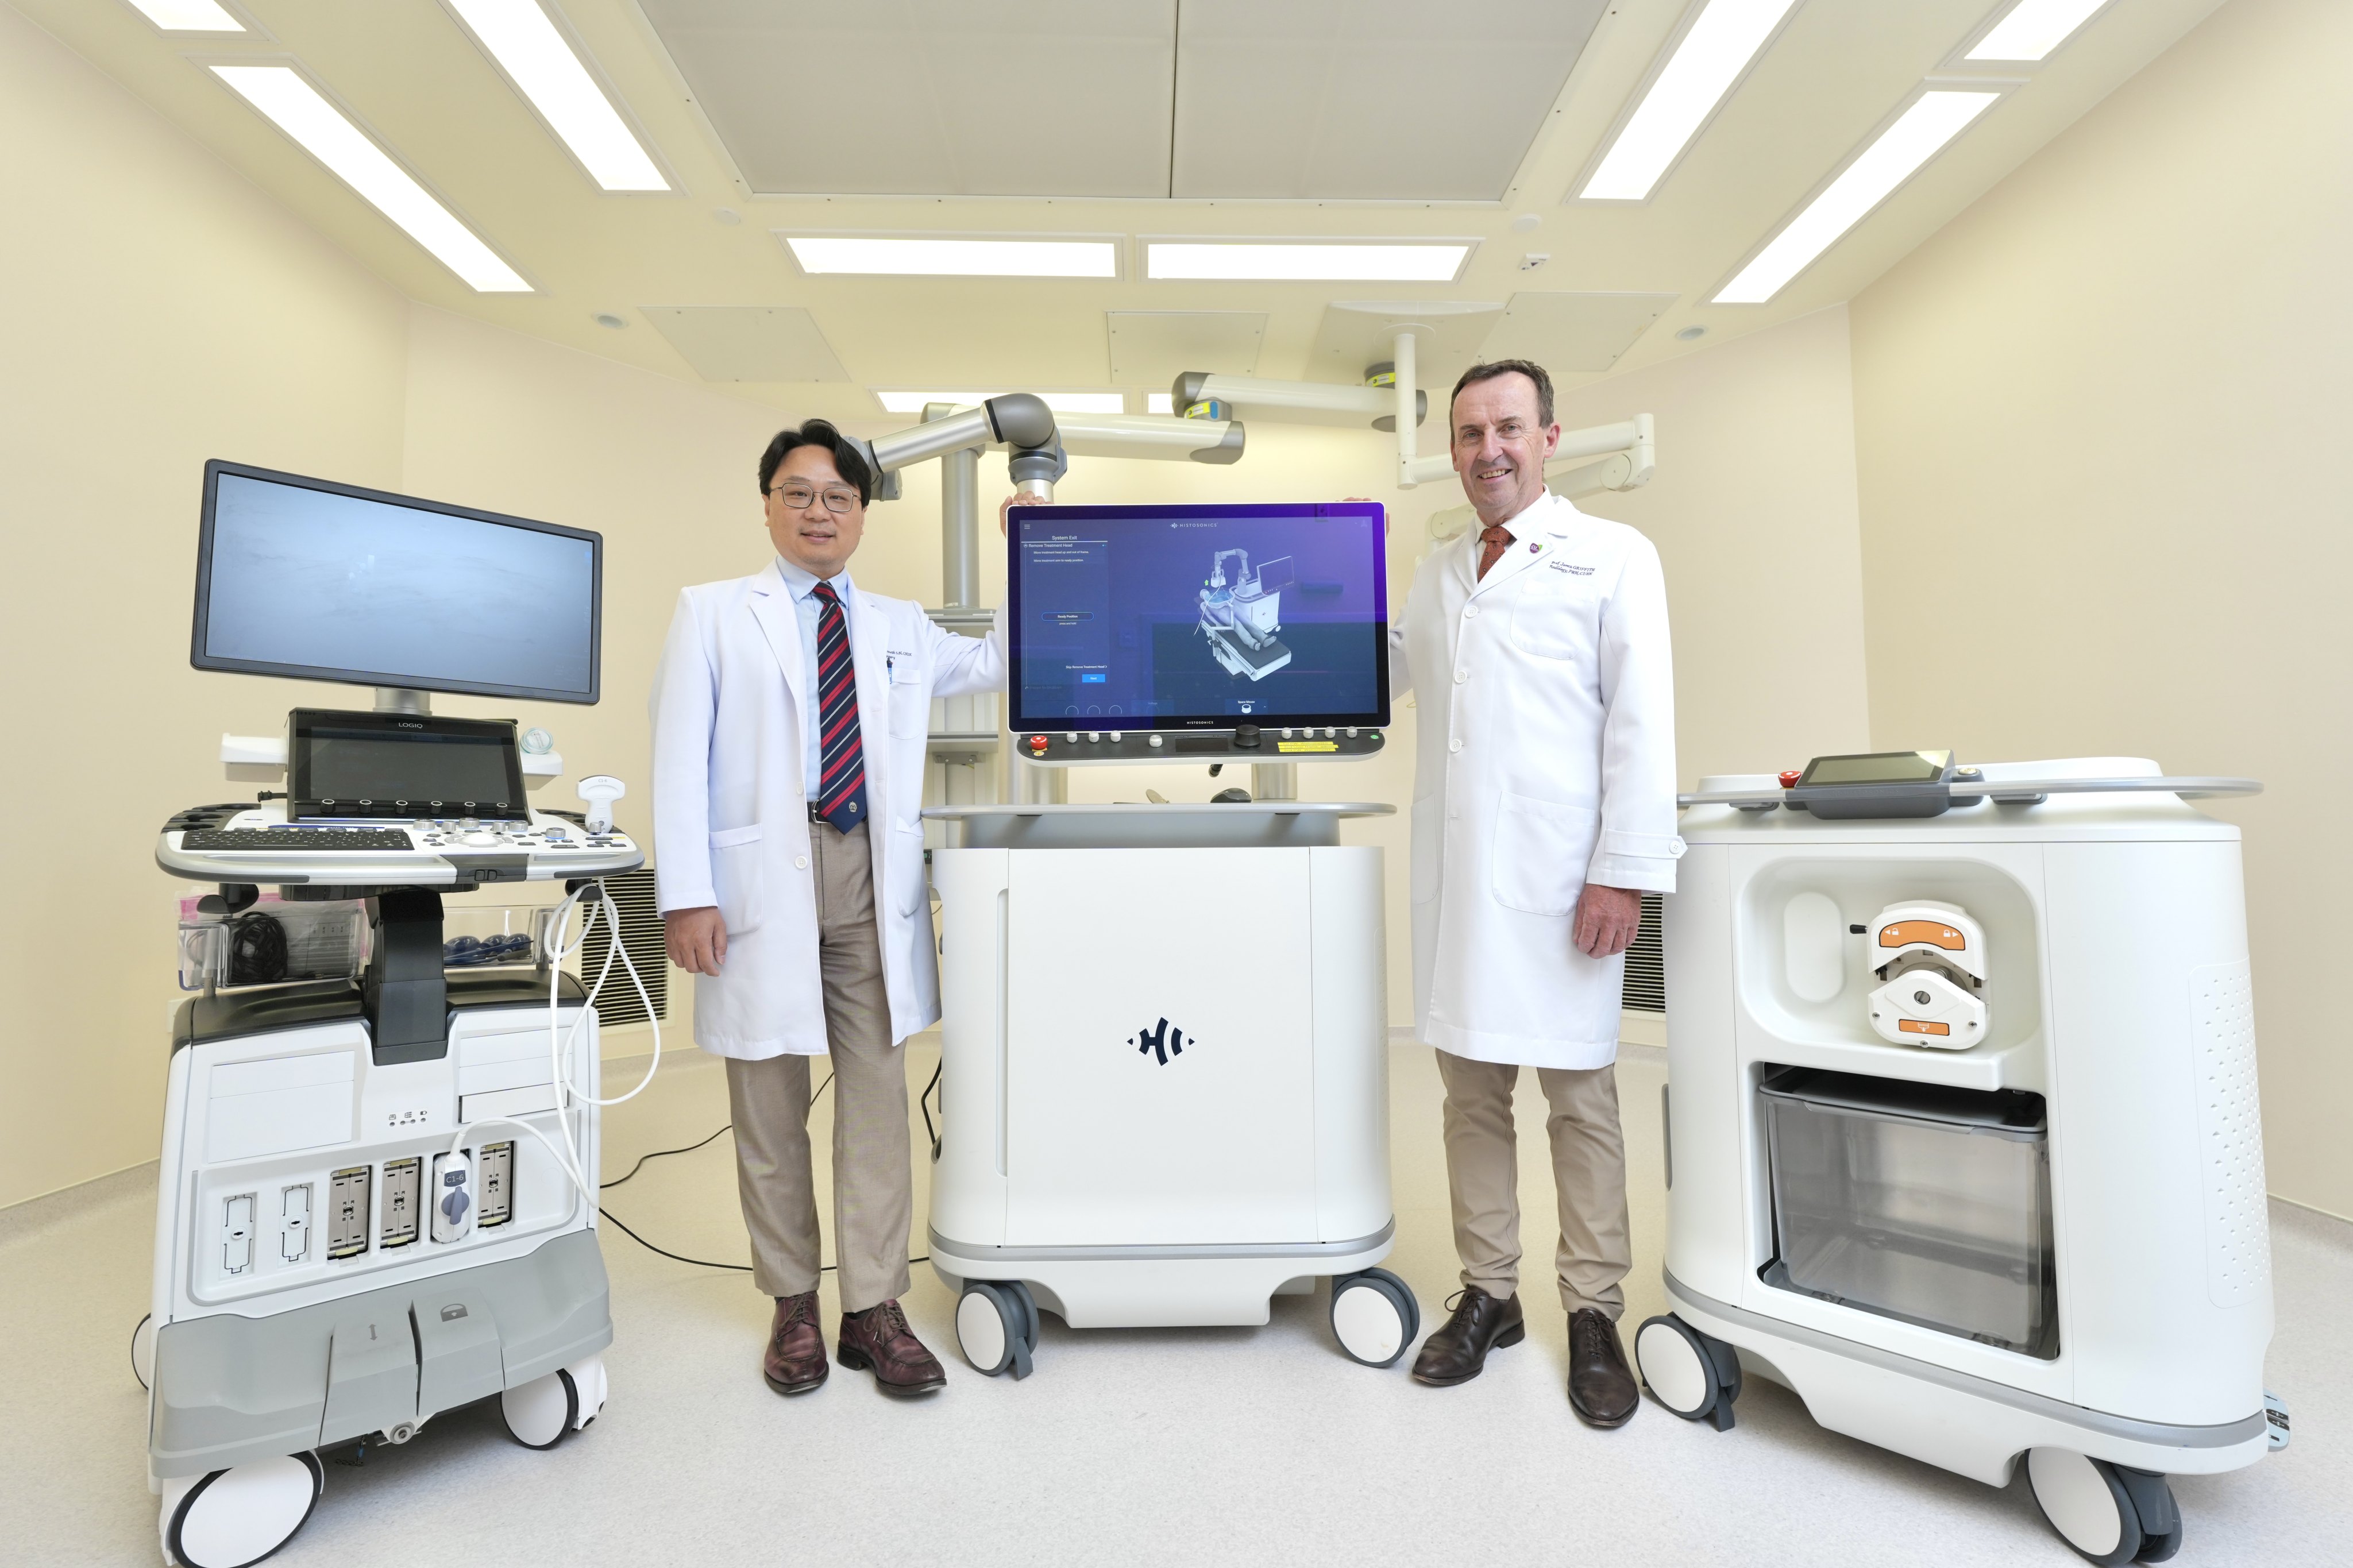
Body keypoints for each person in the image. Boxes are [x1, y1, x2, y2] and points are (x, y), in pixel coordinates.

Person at [650, 420, 1006, 1399]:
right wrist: (687, 894)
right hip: (761, 875)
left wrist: (1035, 549)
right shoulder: (715, 613)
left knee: (877, 1101)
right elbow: (679, 758)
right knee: (767, 1104)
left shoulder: (900, 625)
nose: (820, 510)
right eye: (800, 493)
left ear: (861, 515)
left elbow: (997, 664)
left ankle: (875, 1307)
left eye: (838, 497)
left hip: (866, 874)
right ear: (768, 503)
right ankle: (794, 1301)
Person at [1389, 360, 1682, 1426]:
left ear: (1550, 437)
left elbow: (1642, 722)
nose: (1488, 451)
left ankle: (1594, 1308)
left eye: (1507, 428)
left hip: (1567, 883)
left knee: (1579, 1100)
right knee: (1471, 1096)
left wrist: (1624, 869)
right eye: (1469, 435)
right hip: (1466, 885)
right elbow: (1384, 673)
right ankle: (1491, 1293)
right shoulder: (1437, 572)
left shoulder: (1611, 557)